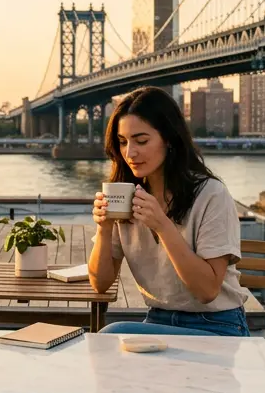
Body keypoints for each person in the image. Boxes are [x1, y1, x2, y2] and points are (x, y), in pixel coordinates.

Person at [88, 86, 253, 337]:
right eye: (123, 142)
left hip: (217, 324)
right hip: (157, 319)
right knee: (108, 338)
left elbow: (207, 291)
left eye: (141, 141)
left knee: (112, 335)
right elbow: (99, 284)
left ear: (169, 138)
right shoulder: (127, 195)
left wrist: (163, 226)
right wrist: (104, 227)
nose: (130, 153)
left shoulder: (212, 194)